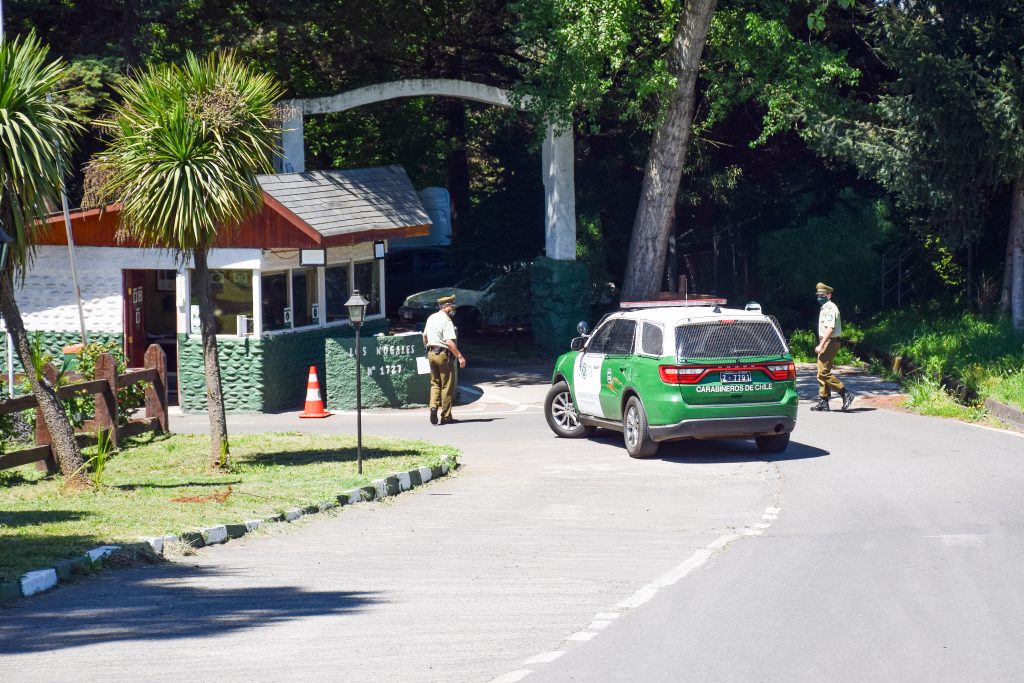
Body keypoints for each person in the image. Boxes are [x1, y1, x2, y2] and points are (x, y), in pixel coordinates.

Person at [422, 294, 467, 425]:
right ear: (446, 306)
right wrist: (460, 357)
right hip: (443, 355)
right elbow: (449, 342)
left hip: (431, 354)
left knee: (435, 384)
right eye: (452, 306)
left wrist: (428, 349)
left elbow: (424, 337)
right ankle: (446, 416)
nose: (454, 308)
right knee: (447, 385)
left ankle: (433, 407)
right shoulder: (446, 321)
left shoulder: (431, 317)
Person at [811, 282, 854, 412]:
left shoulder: (830, 308)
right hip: (828, 341)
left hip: (830, 341)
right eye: (818, 294)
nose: (819, 296)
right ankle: (824, 401)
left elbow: (830, 328)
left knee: (823, 372)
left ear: (829, 295)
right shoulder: (825, 307)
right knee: (821, 372)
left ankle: (845, 393)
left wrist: (821, 344)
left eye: (822, 294)